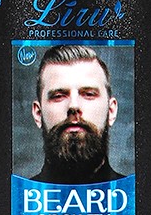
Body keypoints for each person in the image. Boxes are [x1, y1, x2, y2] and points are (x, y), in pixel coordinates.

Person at [29, 45, 125, 184]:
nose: (74, 105)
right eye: (58, 96)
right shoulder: (18, 195)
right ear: (38, 114)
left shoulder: (133, 192)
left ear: (111, 111)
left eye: (89, 94)